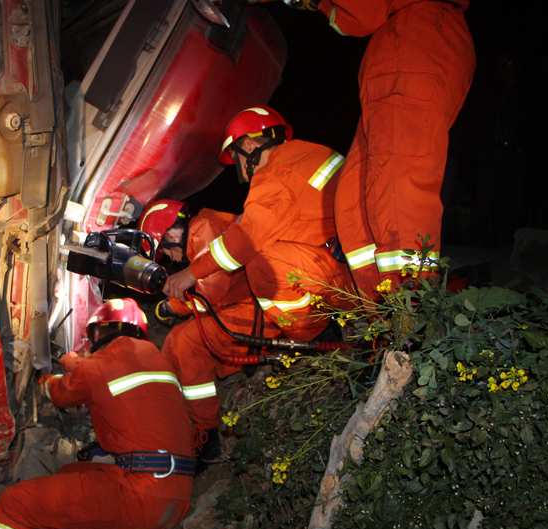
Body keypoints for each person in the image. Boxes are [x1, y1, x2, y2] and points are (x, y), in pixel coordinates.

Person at [0, 298, 194, 529]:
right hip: (176, 498)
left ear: (100, 333)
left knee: (16, 505)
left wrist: (43, 380)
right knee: (72, 472)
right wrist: (70, 359)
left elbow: (60, 392)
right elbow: (96, 371)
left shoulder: (98, 367)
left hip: (142, 498)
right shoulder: (156, 359)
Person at [162, 106, 355, 433]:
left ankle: (312, 337)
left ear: (249, 146)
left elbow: (242, 245)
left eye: (236, 157)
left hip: (338, 275)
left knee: (264, 264)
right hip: (343, 262)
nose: (239, 168)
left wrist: (186, 278)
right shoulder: (308, 155)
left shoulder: (277, 175)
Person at [295, 0, 475, 298]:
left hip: (416, 41)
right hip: (414, 44)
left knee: (396, 186)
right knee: (355, 200)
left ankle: (411, 313)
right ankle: (381, 309)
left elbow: (359, 13)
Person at [138, 199, 251, 325]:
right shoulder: (199, 232)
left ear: (170, 235)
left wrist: (171, 307)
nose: (170, 258)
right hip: (247, 296)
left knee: (186, 340)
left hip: (254, 301)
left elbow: (210, 293)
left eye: (164, 251)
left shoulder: (203, 230)